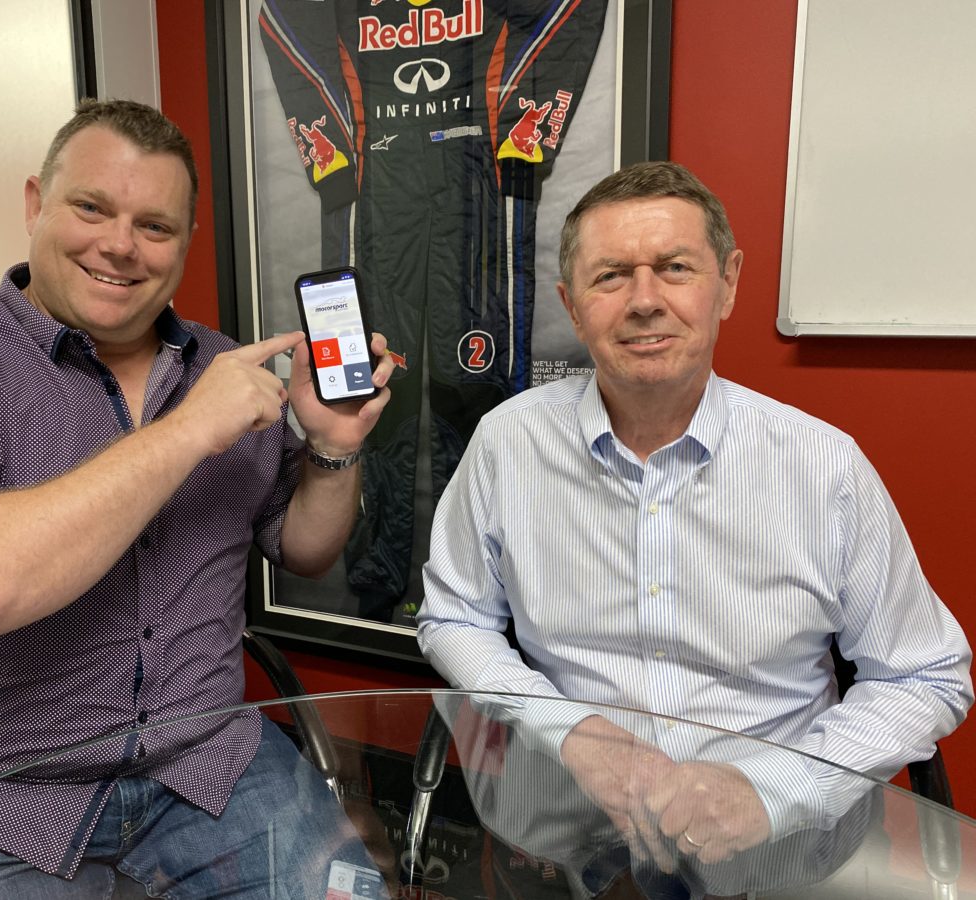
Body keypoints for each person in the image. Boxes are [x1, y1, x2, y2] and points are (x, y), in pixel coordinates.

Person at [0, 98, 395, 898]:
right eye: (92, 208)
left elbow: (304, 549)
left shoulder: (227, 368)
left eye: (154, 226)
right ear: (36, 203)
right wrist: (186, 431)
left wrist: (333, 449)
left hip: (208, 764)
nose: (121, 245)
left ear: (186, 240)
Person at [416, 161, 972, 890]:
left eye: (675, 268)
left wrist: (777, 788)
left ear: (729, 284)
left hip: (774, 857)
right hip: (561, 839)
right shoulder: (506, 445)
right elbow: (453, 617)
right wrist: (570, 730)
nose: (645, 301)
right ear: (572, 306)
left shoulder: (823, 467)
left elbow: (925, 673)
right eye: (611, 276)